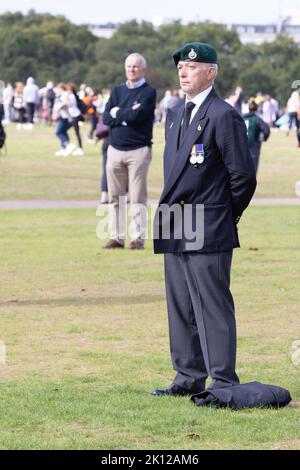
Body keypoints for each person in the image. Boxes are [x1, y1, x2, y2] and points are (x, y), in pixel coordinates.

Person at [152, 42, 256, 396]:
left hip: (207, 223)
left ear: (210, 72)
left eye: (192, 67)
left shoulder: (223, 114)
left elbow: (242, 176)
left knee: (211, 305)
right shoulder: (176, 114)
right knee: (180, 305)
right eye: (180, 66)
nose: (183, 72)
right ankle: (187, 378)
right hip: (175, 220)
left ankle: (223, 381)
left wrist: (224, 216)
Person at [103, 52, 156, 249]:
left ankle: (137, 238)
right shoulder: (117, 91)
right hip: (115, 149)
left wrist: (119, 113)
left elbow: (138, 116)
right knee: (114, 197)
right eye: (129, 66)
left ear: (143, 69)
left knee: (136, 196)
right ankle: (116, 236)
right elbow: (106, 118)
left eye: (135, 66)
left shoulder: (148, 92)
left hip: (138, 150)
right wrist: (126, 114)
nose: (132, 70)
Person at [243, 100, 270, 173]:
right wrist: (264, 137)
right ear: (256, 109)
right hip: (254, 145)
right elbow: (266, 129)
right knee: (253, 167)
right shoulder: (257, 119)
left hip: (242, 144)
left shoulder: (241, 118)